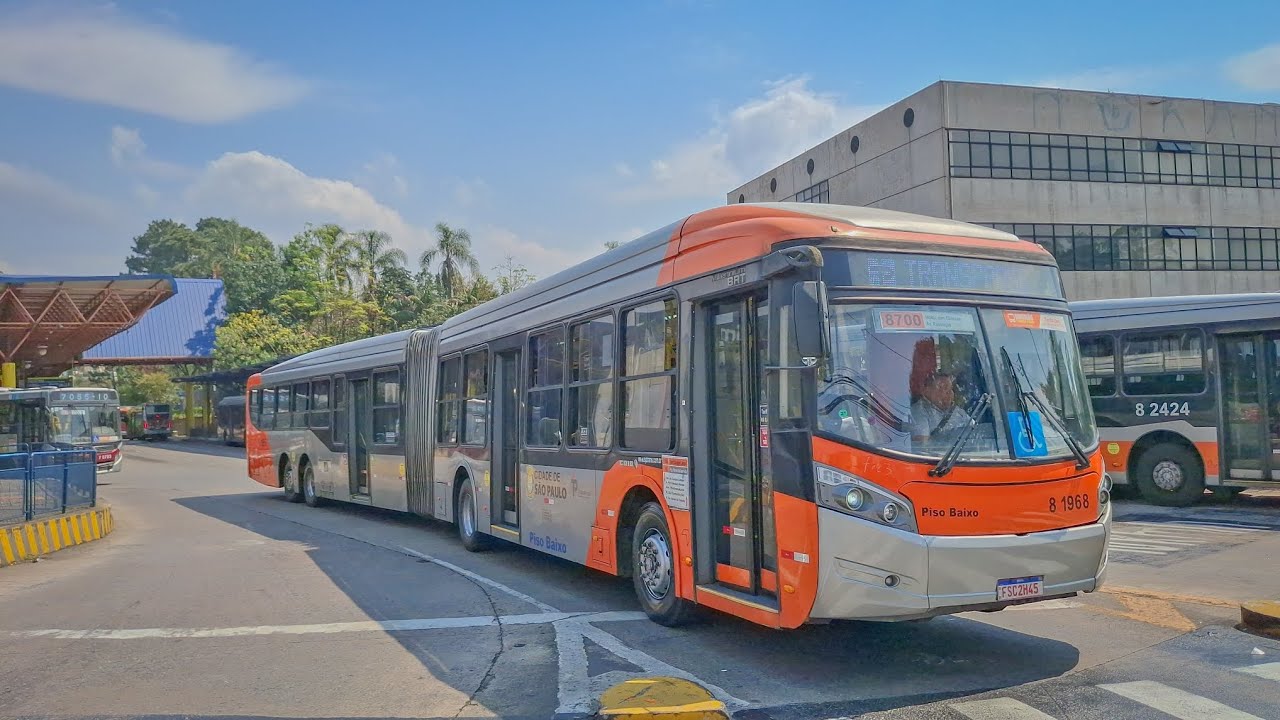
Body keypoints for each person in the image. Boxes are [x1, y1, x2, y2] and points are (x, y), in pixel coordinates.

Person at [910, 371, 972, 446]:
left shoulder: (958, 411)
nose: (949, 392)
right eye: (943, 388)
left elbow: (975, 430)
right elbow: (923, 445)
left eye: (951, 388)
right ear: (926, 391)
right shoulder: (919, 411)